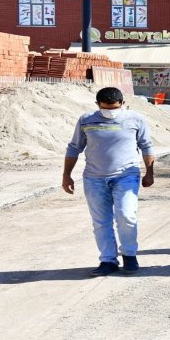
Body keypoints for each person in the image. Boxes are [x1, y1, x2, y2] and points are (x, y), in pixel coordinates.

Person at [62, 87, 155, 276]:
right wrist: (66, 175)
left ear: (122, 104)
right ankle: (108, 260)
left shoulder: (135, 120)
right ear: (97, 105)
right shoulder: (86, 120)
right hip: (94, 179)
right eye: (105, 108)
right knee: (101, 222)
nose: (110, 112)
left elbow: (146, 146)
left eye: (114, 108)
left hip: (126, 176)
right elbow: (74, 148)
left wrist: (149, 172)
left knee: (126, 215)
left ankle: (129, 255)